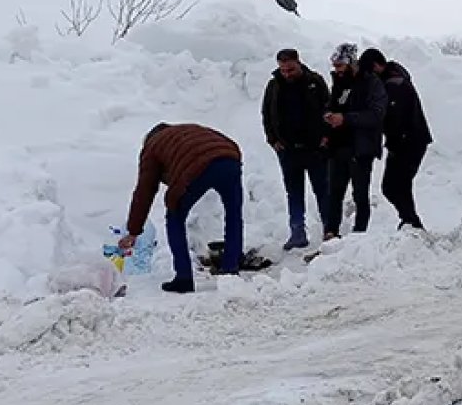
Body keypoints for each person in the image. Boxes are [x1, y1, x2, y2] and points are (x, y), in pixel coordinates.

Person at [118, 122, 245, 293]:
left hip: (196, 165)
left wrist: (133, 230)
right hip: (229, 158)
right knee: (234, 214)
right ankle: (231, 268)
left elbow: (144, 191)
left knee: (175, 216)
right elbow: (224, 143)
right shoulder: (185, 131)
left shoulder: (152, 147)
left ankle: (183, 278)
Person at [261, 48, 331, 250]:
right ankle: (297, 232)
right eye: (283, 70)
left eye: (290, 69)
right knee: (294, 192)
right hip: (288, 150)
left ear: (298, 63)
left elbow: (329, 108)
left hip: (315, 148)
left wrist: (326, 136)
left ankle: (330, 229)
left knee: (323, 190)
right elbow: (267, 114)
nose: (287, 74)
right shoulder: (274, 86)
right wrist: (273, 140)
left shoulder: (314, 82)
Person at [358, 47, 433, 229]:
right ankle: (410, 222)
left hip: (408, 142)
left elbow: (393, 117)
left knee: (394, 186)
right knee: (397, 186)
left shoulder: (394, 85)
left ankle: (411, 223)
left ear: (376, 66)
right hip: (407, 141)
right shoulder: (394, 78)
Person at [323, 42, 388, 237]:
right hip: (337, 146)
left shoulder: (371, 83)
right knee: (333, 193)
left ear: (351, 63)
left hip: (361, 148)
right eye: (335, 66)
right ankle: (331, 233)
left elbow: (376, 115)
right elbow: (332, 105)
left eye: (340, 66)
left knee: (360, 195)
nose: (337, 70)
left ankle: (359, 236)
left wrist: (346, 119)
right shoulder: (338, 83)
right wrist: (328, 119)